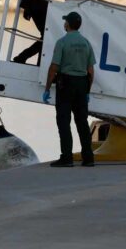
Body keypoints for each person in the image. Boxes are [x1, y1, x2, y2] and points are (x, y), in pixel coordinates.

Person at [43, 12, 96, 167]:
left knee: (64, 121)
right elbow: (91, 71)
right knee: (82, 122)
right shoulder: (86, 43)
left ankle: (67, 157)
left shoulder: (62, 42)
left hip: (65, 84)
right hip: (82, 84)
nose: (64, 23)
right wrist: (87, 91)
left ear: (68, 24)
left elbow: (54, 68)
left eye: (65, 21)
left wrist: (47, 88)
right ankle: (88, 158)